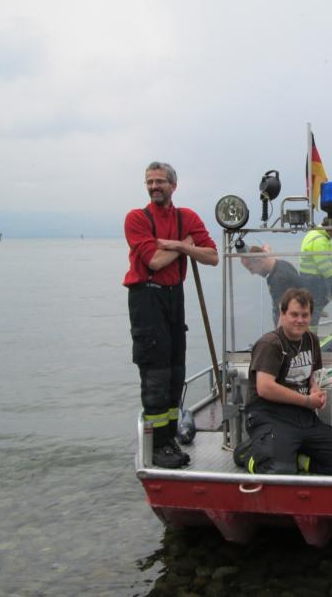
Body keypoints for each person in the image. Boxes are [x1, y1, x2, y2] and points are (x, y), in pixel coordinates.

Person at [124, 161, 219, 469]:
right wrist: (187, 246)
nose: (154, 187)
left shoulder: (186, 217)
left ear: (173, 186)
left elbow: (213, 257)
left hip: (174, 296)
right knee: (156, 374)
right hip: (146, 298)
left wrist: (178, 244)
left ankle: (169, 438)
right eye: (149, 182)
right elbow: (154, 261)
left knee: (176, 371)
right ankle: (156, 445)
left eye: (160, 181)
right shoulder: (137, 218)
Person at [233, 288, 332, 475]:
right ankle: (248, 455)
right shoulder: (270, 344)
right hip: (270, 416)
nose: (300, 320)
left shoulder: (311, 340)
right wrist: (307, 401)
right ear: (282, 314)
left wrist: (315, 390)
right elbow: (265, 388)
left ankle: (297, 460)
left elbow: (310, 377)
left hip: (302, 417)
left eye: (305, 315)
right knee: (279, 470)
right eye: (294, 314)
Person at [240, 245, 304, 326]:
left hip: (288, 328)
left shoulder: (279, 279)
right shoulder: (282, 265)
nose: (252, 273)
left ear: (259, 261)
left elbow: (285, 312)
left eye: (251, 269)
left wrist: (278, 333)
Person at [299, 218, 332, 328]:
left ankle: (317, 309)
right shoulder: (320, 240)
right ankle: (313, 325)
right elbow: (323, 265)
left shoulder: (315, 233)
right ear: (330, 229)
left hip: (307, 276)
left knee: (313, 302)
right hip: (313, 277)